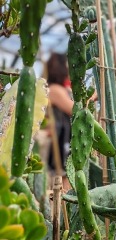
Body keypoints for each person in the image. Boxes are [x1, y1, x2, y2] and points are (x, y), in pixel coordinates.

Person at [45, 52, 73, 182]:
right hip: (57, 144)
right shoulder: (54, 89)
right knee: (60, 183)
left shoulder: (58, 88)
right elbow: (73, 109)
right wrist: (91, 97)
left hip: (62, 140)